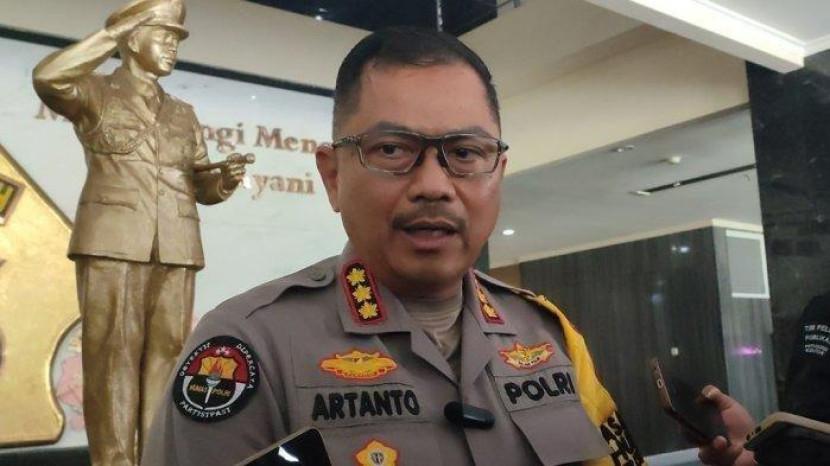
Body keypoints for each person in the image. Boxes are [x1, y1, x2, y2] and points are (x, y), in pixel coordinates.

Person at [144, 27, 644, 466]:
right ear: (333, 177)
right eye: (392, 150)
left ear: (498, 171)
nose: (434, 186)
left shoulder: (549, 335)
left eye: (465, 153)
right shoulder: (248, 349)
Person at [32, 1, 245, 465]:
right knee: (112, 358)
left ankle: (156, 457)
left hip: (177, 246)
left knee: (168, 357)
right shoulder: (94, 91)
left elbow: (200, 186)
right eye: (163, 35)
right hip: (113, 242)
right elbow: (48, 77)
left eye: (176, 39)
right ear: (132, 38)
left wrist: (223, 180)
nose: (172, 46)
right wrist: (110, 35)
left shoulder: (183, 113)